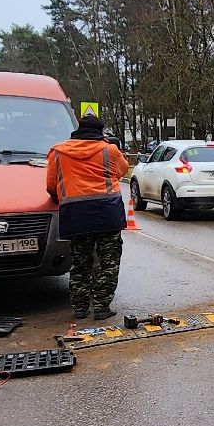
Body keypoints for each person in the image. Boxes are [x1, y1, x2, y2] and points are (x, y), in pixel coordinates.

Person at [45, 115, 131, 318]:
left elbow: (51, 186)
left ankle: (80, 307)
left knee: (80, 261)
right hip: (107, 213)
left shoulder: (57, 152)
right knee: (108, 262)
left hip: (75, 214)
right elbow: (122, 171)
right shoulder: (109, 150)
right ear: (100, 132)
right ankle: (102, 306)